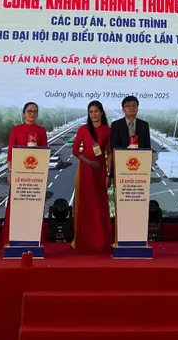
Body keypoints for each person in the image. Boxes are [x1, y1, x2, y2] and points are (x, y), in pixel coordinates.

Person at [1, 102, 49, 250]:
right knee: (16, 208)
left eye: (35, 111)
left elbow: (45, 153)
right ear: (23, 113)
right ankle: (12, 239)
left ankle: (34, 239)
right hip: (19, 176)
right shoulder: (16, 130)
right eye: (29, 111)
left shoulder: (41, 131)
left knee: (34, 209)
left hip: (35, 178)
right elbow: (11, 153)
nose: (32, 114)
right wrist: (10, 172)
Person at [71, 100, 113, 252]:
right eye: (91, 112)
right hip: (85, 170)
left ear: (101, 112)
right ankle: (84, 239)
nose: (94, 114)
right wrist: (89, 162)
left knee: (99, 205)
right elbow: (75, 151)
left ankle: (100, 239)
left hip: (100, 170)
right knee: (86, 204)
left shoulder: (108, 130)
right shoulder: (83, 129)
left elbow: (110, 153)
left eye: (96, 111)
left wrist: (108, 174)